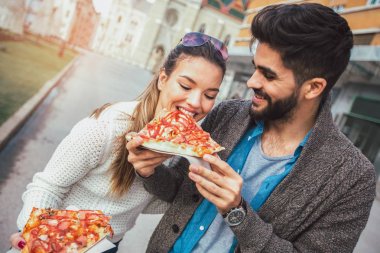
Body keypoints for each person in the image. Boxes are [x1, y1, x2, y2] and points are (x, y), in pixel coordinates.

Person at [127, 3, 377, 253]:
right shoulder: (228, 113)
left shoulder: (353, 179)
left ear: (313, 87)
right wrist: (149, 171)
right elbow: (177, 191)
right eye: (255, 67)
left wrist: (237, 212)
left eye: (268, 76)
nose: (251, 81)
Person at [9, 32, 228, 252]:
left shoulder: (184, 147)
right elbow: (48, 187)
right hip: (56, 239)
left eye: (209, 95)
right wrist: (38, 237)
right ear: (163, 79)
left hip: (107, 246)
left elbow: (156, 203)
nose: (195, 103)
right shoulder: (108, 126)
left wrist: (197, 176)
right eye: (186, 86)